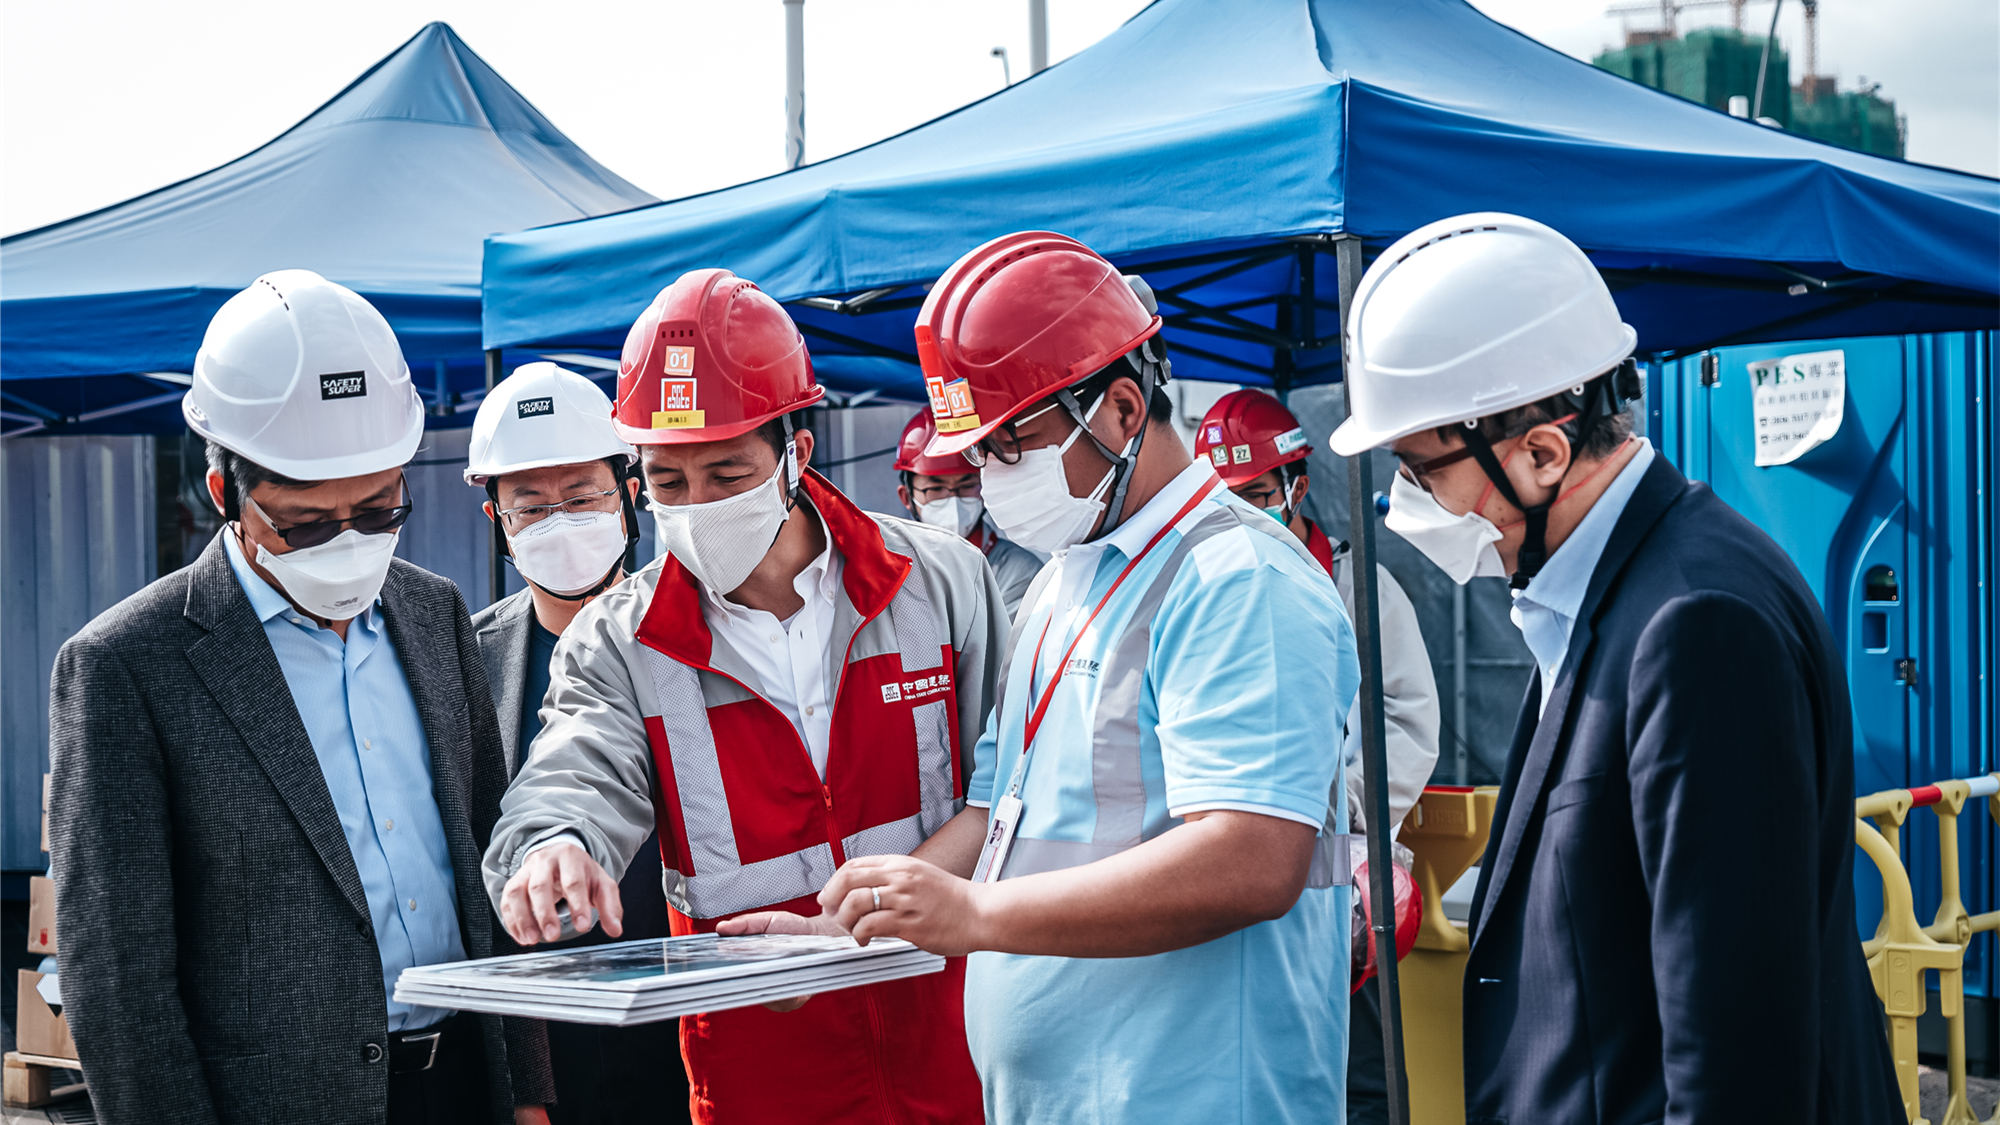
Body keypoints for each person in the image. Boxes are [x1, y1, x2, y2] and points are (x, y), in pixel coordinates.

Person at [733, 231, 1362, 1124]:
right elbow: (998, 817)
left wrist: (976, 916)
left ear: (1119, 407)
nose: (990, 478)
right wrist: (844, 931)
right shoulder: (1066, 579)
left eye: (1009, 444)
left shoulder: (1236, 580)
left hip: (1198, 1092)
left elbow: (1251, 858)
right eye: (978, 452)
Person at [1327, 212, 1902, 1124]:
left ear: (1543, 452)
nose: (1412, 505)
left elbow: (1733, 1059)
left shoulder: (1696, 621)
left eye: (1421, 469)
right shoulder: (1609, 590)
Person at [481, 269, 1004, 1123]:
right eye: (667, 483)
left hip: (959, 1049)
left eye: (726, 474)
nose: (696, 508)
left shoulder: (941, 582)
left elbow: (1007, 796)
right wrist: (554, 844)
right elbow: (573, 768)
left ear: (797, 450)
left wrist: (868, 921)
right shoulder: (620, 638)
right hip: (762, 1076)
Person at [47, 270, 552, 1125]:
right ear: (224, 495)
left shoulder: (434, 614)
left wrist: (530, 1089)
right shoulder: (129, 667)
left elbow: (487, 851)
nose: (349, 543)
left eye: (378, 508)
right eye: (309, 522)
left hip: (467, 1083)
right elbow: (117, 977)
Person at [1195, 388, 1439, 1125]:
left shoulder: (1361, 586)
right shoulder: (1201, 588)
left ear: (1298, 484)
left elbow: (1409, 714)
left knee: (1361, 1074)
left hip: (1346, 879)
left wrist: (1350, 796)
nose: (1241, 511)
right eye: (1225, 496)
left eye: (1258, 493)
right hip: (1234, 881)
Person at [462, 362, 690, 1125]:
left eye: (582, 496)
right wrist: (523, 1087)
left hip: (692, 1028)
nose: (559, 521)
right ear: (497, 517)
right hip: (551, 1055)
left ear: (630, 494)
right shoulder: (468, 659)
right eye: (532, 505)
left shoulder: (700, 633)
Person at [893, 408, 1045, 618]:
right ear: (906, 497)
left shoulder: (1018, 573)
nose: (953, 501)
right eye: (936, 489)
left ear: (984, 490)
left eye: (966, 486)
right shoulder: (889, 568)